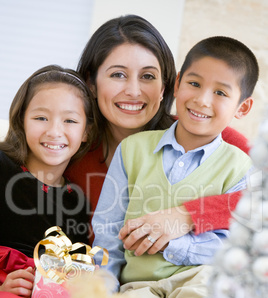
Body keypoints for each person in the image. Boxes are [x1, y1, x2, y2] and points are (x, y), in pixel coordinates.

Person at [91, 36, 259, 298]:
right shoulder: (132, 151)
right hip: (138, 285)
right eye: (194, 84)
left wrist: (177, 245)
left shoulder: (240, 166)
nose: (203, 100)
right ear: (178, 84)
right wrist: (102, 290)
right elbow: (107, 235)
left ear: (242, 107)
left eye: (221, 92)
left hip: (203, 279)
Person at [66, 15, 250, 247]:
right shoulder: (70, 151)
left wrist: (187, 215)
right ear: (91, 83)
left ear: (165, 86)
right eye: (118, 75)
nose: (134, 91)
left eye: (148, 76)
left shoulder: (213, 139)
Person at [0, 65, 96, 298]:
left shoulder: (77, 202)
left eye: (70, 121)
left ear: (86, 132)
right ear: (21, 120)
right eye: (41, 118)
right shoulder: (3, 167)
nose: (54, 131)